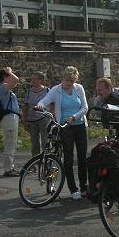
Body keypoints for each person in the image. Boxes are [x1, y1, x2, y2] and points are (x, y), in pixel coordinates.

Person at [36, 66, 88, 201]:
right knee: (68, 159)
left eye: (72, 81)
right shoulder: (56, 90)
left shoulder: (79, 88)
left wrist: (74, 117)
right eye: (67, 80)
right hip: (65, 127)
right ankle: (73, 189)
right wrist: (40, 105)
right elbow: (45, 100)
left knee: (82, 158)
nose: (69, 84)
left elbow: (85, 107)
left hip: (80, 125)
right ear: (63, 78)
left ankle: (84, 186)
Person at [0, 67, 21, 177]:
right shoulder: (3, 87)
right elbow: (16, 80)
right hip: (9, 118)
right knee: (10, 143)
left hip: (8, 118)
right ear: (6, 77)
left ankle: (10, 167)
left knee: (10, 143)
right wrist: (9, 72)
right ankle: (8, 168)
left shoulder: (1, 88)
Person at [23, 71, 50, 157]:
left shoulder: (47, 91)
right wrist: (25, 120)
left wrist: (53, 117)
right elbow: (25, 106)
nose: (33, 81)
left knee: (45, 140)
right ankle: (35, 160)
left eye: (35, 79)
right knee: (34, 142)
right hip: (32, 120)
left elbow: (53, 105)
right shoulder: (29, 92)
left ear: (41, 80)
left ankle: (46, 159)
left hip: (44, 119)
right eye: (32, 79)